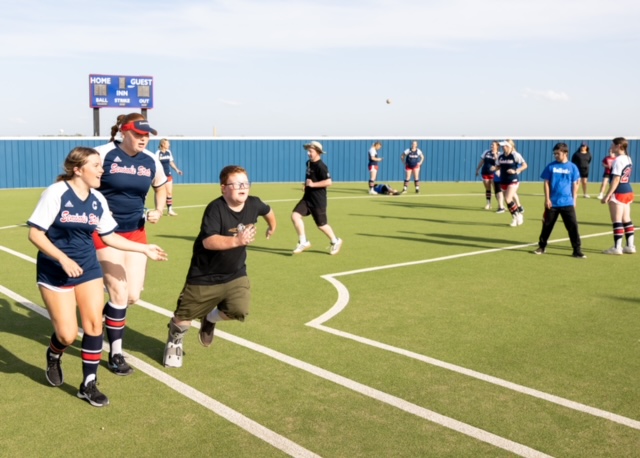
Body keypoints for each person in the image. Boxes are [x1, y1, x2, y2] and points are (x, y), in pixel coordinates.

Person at [27, 147, 167, 406]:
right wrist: (63, 258)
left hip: (88, 268)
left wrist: (143, 248)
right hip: (55, 271)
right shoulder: (56, 193)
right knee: (68, 336)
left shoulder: (98, 200)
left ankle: (88, 384)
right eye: (96, 165)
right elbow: (35, 234)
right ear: (78, 169)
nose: (102, 169)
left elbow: (109, 236)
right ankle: (54, 353)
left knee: (93, 326)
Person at [163, 165, 276, 368]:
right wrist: (237, 241)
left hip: (235, 274)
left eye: (245, 183)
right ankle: (174, 341)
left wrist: (272, 226)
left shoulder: (254, 203)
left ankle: (210, 318)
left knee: (239, 310)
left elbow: (268, 210)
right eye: (236, 184)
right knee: (183, 319)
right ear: (223, 188)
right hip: (204, 276)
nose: (243, 187)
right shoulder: (215, 208)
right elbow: (209, 241)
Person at [93, 113, 167, 376]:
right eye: (138, 134)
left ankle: (100, 316)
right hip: (103, 233)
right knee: (119, 294)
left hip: (136, 233)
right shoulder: (101, 155)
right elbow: (80, 183)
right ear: (124, 132)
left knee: (132, 295)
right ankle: (115, 354)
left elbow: (160, 187)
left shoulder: (152, 161)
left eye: (146, 135)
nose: (143, 139)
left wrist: (159, 209)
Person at [533, 143, 585, 258]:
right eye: (554, 154)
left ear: (565, 153)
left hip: (567, 202)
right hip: (553, 202)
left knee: (573, 226)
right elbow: (546, 183)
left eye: (558, 153)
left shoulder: (572, 167)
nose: (556, 155)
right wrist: (547, 199)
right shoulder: (551, 166)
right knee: (547, 225)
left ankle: (577, 250)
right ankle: (542, 246)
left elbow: (575, 184)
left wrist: (574, 199)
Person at [291, 141, 343, 255]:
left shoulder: (321, 166)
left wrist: (313, 185)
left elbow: (329, 182)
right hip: (307, 198)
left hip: (318, 201)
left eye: (311, 151)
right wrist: (305, 185)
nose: (308, 153)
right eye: (308, 151)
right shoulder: (309, 163)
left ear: (318, 152)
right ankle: (303, 241)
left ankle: (335, 241)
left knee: (322, 225)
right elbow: (310, 178)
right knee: (295, 215)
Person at [601, 137, 635, 255]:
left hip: (619, 191)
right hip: (628, 190)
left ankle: (617, 247)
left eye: (613, 145)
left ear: (619, 146)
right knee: (627, 219)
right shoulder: (628, 158)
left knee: (617, 220)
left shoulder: (618, 160)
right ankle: (630, 245)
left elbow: (616, 179)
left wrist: (607, 195)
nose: (611, 147)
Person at [494, 140, 527, 226]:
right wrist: (494, 168)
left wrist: (515, 170)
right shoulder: (500, 156)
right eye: (503, 146)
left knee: (508, 199)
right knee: (508, 200)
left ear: (510, 146)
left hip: (513, 180)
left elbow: (525, 165)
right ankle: (515, 217)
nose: (503, 147)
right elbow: (498, 166)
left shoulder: (515, 155)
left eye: (505, 146)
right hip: (503, 180)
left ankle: (518, 216)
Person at [155, 138, 183, 216]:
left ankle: (170, 210)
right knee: (160, 192)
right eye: (167, 143)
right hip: (160, 176)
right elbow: (155, 164)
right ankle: (159, 210)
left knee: (169, 193)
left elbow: (171, 162)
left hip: (168, 175)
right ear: (163, 144)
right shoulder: (158, 153)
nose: (169, 145)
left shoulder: (168, 152)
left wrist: (177, 170)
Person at [475, 141, 501, 210]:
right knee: (488, 189)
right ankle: (488, 204)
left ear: (497, 146)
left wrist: (495, 155)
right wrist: (477, 169)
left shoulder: (499, 154)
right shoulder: (486, 152)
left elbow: (498, 163)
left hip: (493, 173)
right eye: (491, 144)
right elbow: (482, 161)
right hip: (485, 172)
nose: (491, 146)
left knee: (496, 190)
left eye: (493, 145)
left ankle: (500, 205)